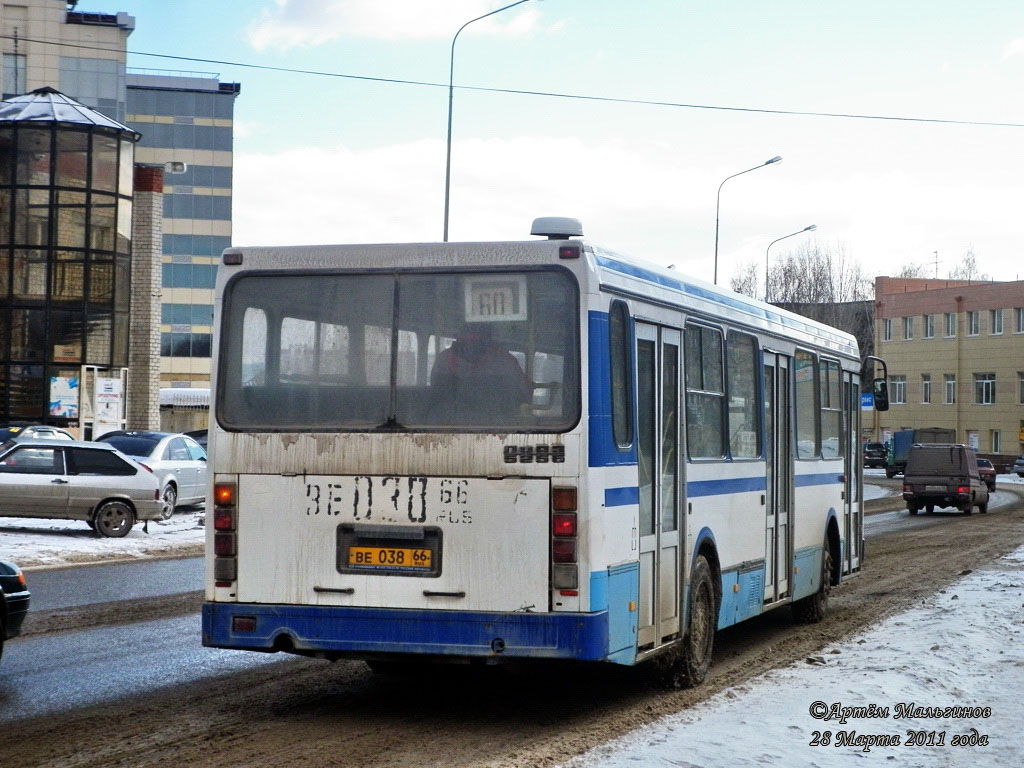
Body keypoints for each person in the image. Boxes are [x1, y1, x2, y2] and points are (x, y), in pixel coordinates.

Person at [430, 325, 532, 425]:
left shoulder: (443, 359)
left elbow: (523, 395)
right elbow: (525, 394)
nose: (470, 347)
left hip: (497, 425)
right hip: (452, 424)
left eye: (475, 342)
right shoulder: (506, 361)